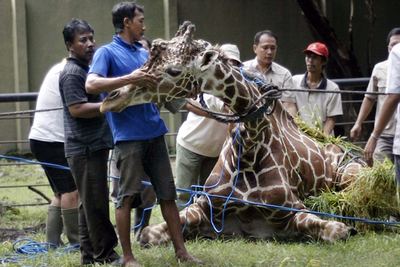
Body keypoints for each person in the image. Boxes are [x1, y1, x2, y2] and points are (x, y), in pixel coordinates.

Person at [85, 2, 202, 266]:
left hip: (155, 133)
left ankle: (181, 252)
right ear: (127, 22)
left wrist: (185, 90)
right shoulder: (107, 52)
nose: (144, 26)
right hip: (128, 138)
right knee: (125, 197)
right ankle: (128, 257)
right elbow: (91, 84)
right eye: (141, 20)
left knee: (168, 194)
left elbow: (160, 88)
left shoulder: (143, 51)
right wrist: (130, 78)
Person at [59, 19, 120, 265]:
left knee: (89, 204)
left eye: (91, 38)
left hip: (92, 146)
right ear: (70, 45)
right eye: (83, 40)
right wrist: (109, 105)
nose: (90, 43)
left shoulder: (86, 69)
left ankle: (88, 255)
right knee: (96, 204)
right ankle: (106, 254)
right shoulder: (73, 72)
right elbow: (76, 109)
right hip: (84, 148)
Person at [174, 44, 241, 211]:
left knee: (209, 195)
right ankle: (180, 231)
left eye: (235, 63)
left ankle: (204, 229)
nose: (230, 67)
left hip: (214, 152)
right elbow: (222, 107)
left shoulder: (240, 88)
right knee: (183, 194)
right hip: (190, 145)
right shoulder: (207, 83)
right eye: (228, 62)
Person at [109, 35, 156, 244]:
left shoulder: (155, 79)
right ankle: (123, 239)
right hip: (126, 140)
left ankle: (141, 232)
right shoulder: (124, 75)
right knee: (122, 192)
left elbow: (174, 102)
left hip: (151, 138)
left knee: (148, 191)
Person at [29, 60, 79, 247]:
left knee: (60, 192)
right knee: (71, 191)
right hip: (51, 140)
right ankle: (76, 242)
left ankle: (52, 242)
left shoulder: (60, 68)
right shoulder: (70, 73)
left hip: (42, 139)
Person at [351, 28, 400, 162]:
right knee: (379, 174)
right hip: (384, 134)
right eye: (394, 44)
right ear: (389, 48)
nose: (397, 48)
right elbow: (369, 98)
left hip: (399, 134)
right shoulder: (379, 68)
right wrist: (358, 123)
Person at [287, 42, 343, 135]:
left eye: (315, 57)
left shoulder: (333, 88)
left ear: (324, 61)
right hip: (299, 135)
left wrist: (323, 140)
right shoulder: (294, 81)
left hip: (323, 135)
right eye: (308, 56)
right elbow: (290, 109)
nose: (310, 60)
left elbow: (330, 119)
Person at [365, 42, 400, 185]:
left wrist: (373, 136)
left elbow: (393, 96)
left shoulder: (398, 52)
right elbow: (370, 98)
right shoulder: (379, 68)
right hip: (387, 135)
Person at [243, 30, 295, 111]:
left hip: (275, 120)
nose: (270, 52)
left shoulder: (284, 74)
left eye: (273, 48)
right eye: (265, 47)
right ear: (255, 48)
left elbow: (289, 105)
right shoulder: (243, 69)